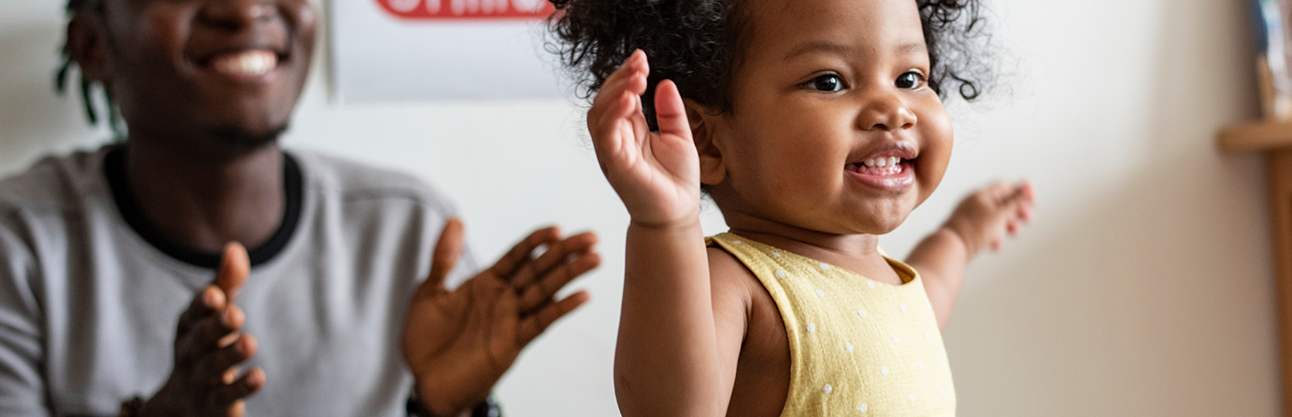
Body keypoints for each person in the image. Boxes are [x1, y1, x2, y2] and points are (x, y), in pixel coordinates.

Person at [0, 0, 601, 415]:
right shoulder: (21, 244)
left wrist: (449, 412)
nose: (243, 10)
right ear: (93, 46)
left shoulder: (409, 234)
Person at [548, 0, 1035, 415]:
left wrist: (964, 232)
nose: (894, 110)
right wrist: (665, 224)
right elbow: (675, 408)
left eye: (909, 77)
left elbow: (932, 289)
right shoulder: (737, 282)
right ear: (707, 142)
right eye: (829, 82)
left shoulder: (894, 285)